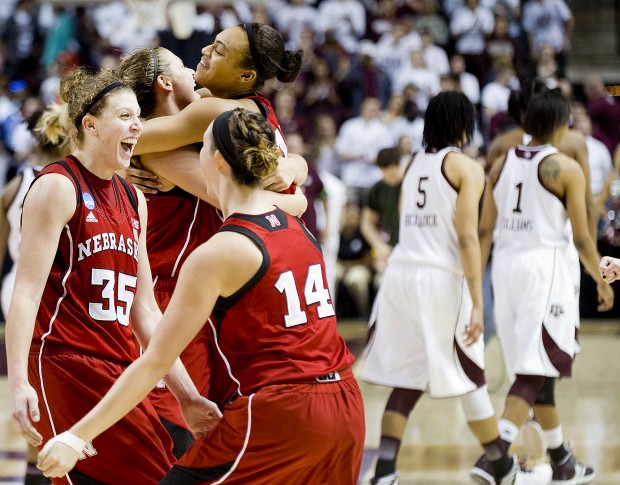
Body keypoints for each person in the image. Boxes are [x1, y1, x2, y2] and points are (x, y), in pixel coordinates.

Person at [35, 108, 365, 484]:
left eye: (199, 148)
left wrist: (77, 437)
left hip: (284, 410)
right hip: (347, 404)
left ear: (218, 160)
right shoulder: (298, 226)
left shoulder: (218, 251)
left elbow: (155, 361)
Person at [6, 67, 212, 485]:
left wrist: (187, 395)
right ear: (90, 125)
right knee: (155, 475)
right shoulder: (57, 186)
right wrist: (17, 383)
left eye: (139, 116)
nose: (138, 126)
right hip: (64, 363)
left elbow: (146, 312)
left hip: (119, 365)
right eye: (125, 116)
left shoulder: (133, 197)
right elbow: (25, 293)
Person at [118, 45, 308, 458]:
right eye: (184, 67)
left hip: (208, 294)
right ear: (166, 84)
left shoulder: (194, 132)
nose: (195, 69)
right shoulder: (154, 147)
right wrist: (299, 197)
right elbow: (243, 202)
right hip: (168, 295)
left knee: (219, 424)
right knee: (178, 434)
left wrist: (296, 165)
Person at [363, 91, 552, 485]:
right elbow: (468, 238)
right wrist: (478, 303)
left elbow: (404, 223)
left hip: (400, 274)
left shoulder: (413, 163)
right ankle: (501, 466)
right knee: (470, 376)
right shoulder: (466, 168)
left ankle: (383, 469)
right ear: (465, 126)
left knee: (407, 379)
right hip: (438, 279)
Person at [476, 88, 613, 485]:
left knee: (536, 367)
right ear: (560, 123)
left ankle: (562, 461)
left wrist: (473, 287)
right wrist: (599, 280)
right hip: (544, 266)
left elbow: (485, 228)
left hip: (505, 267)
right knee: (538, 366)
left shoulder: (499, 163)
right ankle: (494, 453)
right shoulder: (565, 167)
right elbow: (585, 239)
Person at [125, 23, 308, 198]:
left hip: (265, 223)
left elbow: (124, 137)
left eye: (219, 51)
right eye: (213, 42)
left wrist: (120, 163)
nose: (205, 50)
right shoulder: (248, 103)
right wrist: (298, 166)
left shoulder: (217, 110)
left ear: (246, 75)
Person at [0, 104, 69, 485]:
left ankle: (33, 469)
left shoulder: (14, 185)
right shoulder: (67, 183)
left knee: (30, 384)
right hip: (49, 289)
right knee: (46, 385)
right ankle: (41, 468)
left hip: (15, 289)